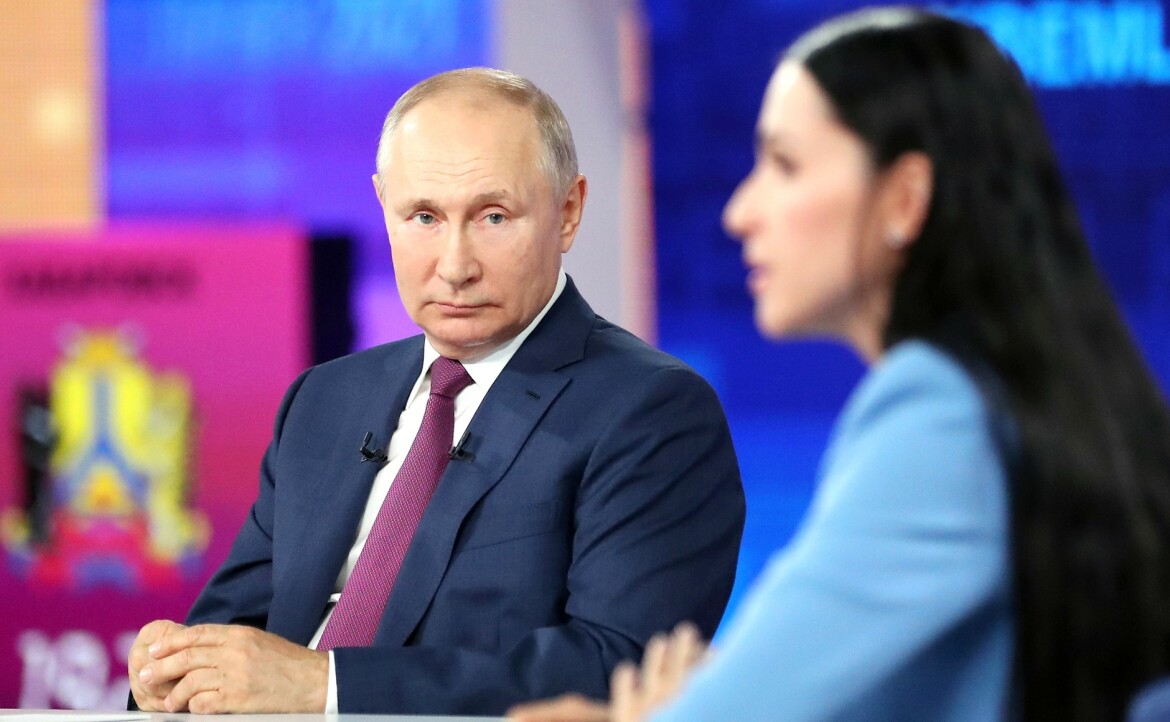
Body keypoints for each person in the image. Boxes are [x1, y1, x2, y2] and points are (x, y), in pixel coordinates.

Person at [509, 7, 1170, 722]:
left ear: (905, 198)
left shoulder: (936, 418)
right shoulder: (1009, 394)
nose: (740, 212)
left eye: (785, 165)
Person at [126, 67, 745, 716]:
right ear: (383, 206)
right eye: (424, 216)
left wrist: (325, 687)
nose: (455, 266)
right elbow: (231, 634)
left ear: (567, 212)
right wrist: (172, 673)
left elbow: (617, 667)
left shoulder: (651, 412)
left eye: (493, 217)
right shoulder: (323, 399)